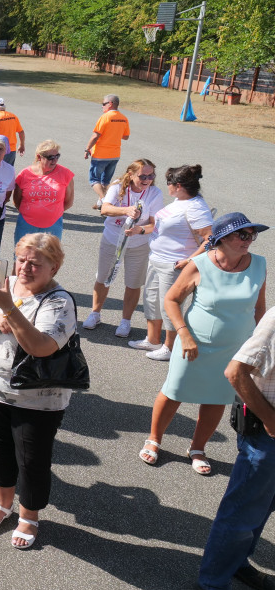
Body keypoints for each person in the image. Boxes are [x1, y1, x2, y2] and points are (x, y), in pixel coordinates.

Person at [0, 233, 77, 549]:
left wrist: (8, 310)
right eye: (21, 260)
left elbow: (40, 347)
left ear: (54, 267)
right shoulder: (6, 284)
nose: (25, 268)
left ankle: (29, 515)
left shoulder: (60, 301)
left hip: (38, 399)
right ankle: (3, 503)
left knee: (31, 459)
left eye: (35, 263)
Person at [138, 213, 267, 475]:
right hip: (193, 344)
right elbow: (171, 300)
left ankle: (197, 448)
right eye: (243, 235)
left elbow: (259, 310)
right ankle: (154, 438)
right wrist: (183, 334)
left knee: (216, 397)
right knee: (174, 391)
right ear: (223, 238)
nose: (249, 240)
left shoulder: (259, 265)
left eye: (252, 234)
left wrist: (261, 346)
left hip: (234, 349)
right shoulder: (199, 264)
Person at [195, 307, 275, 590]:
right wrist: (271, 421)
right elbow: (235, 372)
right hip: (267, 433)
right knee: (243, 511)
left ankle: (237, 562)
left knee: (264, 506)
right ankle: (213, 583)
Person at [128, 165, 214, 360]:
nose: (166, 186)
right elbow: (159, 226)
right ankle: (152, 339)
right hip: (157, 259)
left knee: (170, 305)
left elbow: (210, 239)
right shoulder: (178, 201)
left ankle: (170, 347)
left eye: (168, 183)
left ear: (178, 185)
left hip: (174, 265)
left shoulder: (196, 207)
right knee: (151, 300)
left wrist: (189, 260)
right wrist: (140, 230)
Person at [81, 159, 164, 338]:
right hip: (112, 240)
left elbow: (155, 225)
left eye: (151, 176)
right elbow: (105, 209)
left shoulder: (155, 193)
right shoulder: (118, 187)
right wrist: (126, 211)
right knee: (103, 278)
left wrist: (140, 230)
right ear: (130, 174)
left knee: (133, 283)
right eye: (143, 176)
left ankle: (125, 321)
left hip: (138, 244)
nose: (147, 179)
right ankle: (95, 313)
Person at [12, 140, 75, 242]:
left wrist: (51, 214)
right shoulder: (25, 174)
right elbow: (16, 200)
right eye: (50, 157)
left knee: (49, 256)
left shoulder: (65, 174)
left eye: (57, 156)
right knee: (24, 255)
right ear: (39, 157)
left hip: (53, 225)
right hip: (26, 224)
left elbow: (68, 202)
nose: (54, 160)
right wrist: (32, 214)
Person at [85, 94, 130, 210]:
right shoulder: (124, 118)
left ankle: (104, 200)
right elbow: (126, 137)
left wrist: (87, 148)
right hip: (115, 155)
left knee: (94, 180)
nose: (102, 107)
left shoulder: (105, 117)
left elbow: (95, 136)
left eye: (103, 104)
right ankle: (101, 203)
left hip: (100, 154)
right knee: (106, 181)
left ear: (110, 104)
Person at [0, 97, 25, 166]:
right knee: (8, 171)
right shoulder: (13, 116)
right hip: (11, 150)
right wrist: (22, 145)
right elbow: (21, 132)